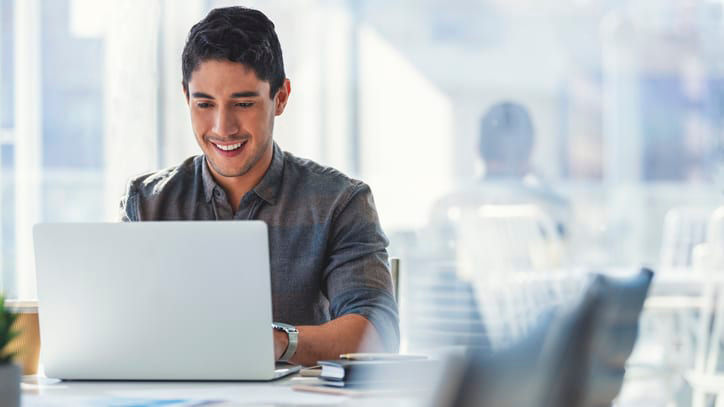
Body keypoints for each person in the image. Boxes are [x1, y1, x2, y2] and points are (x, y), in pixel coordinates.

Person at [119, 6, 398, 366]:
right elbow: (123, 328)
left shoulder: (339, 202)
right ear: (186, 97)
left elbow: (379, 333)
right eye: (204, 103)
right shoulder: (147, 203)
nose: (223, 126)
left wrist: (278, 342)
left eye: (244, 103)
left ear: (280, 98)